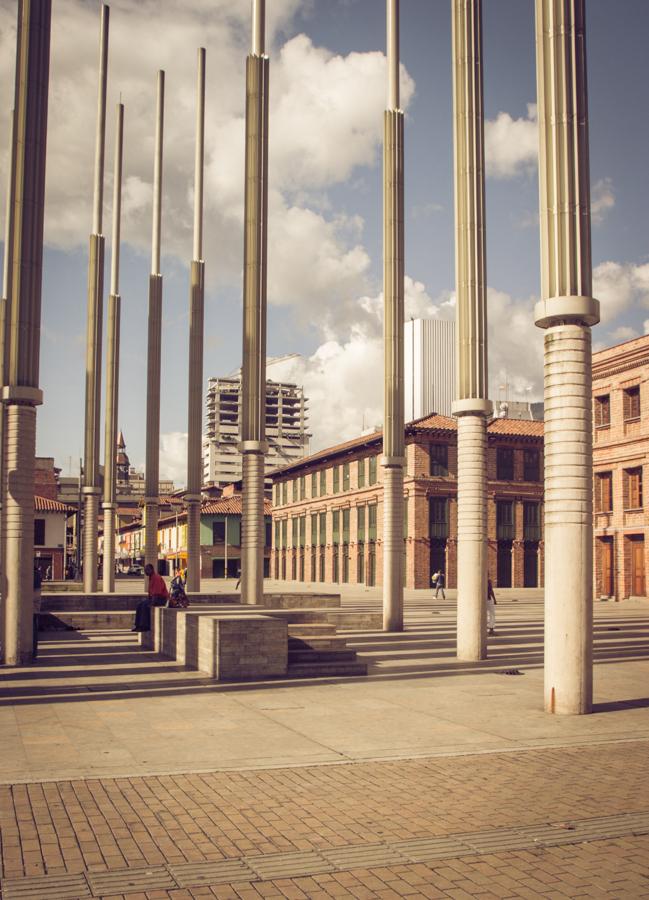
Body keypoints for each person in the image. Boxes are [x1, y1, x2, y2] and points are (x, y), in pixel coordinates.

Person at [132, 564, 168, 632]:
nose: (146, 572)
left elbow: (157, 593)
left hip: (161, 599)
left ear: (152, 570)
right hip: (154, 598)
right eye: (145, 570)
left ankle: (144, 626)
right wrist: (148, 600)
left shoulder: (156, 578)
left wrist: (151, 603)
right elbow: (150, 592)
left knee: (145, 606)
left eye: (147, 570)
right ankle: (138, 625)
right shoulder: (151, 577)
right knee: (140, 605)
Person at [33, 565, 42, 660]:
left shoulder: (33, 576)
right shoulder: (37, 576)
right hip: (34, 610)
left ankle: (33, 653)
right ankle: (34, 653)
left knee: (33, 631)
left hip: (31, 611)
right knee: (34, 631)